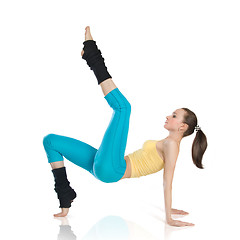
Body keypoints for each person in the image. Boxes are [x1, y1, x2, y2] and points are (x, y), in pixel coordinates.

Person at [43, 26, 208, 227]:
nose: (168, 116)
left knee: (123, 108)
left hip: (113, 169)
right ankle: (64, 194)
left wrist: (169, 217)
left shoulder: (172, 146)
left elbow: (167, 182)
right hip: (102, 165)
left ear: (182, 126)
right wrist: (169, 208)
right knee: (50, 141)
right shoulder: (166, 142)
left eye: (174, 116)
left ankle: (92, 55)